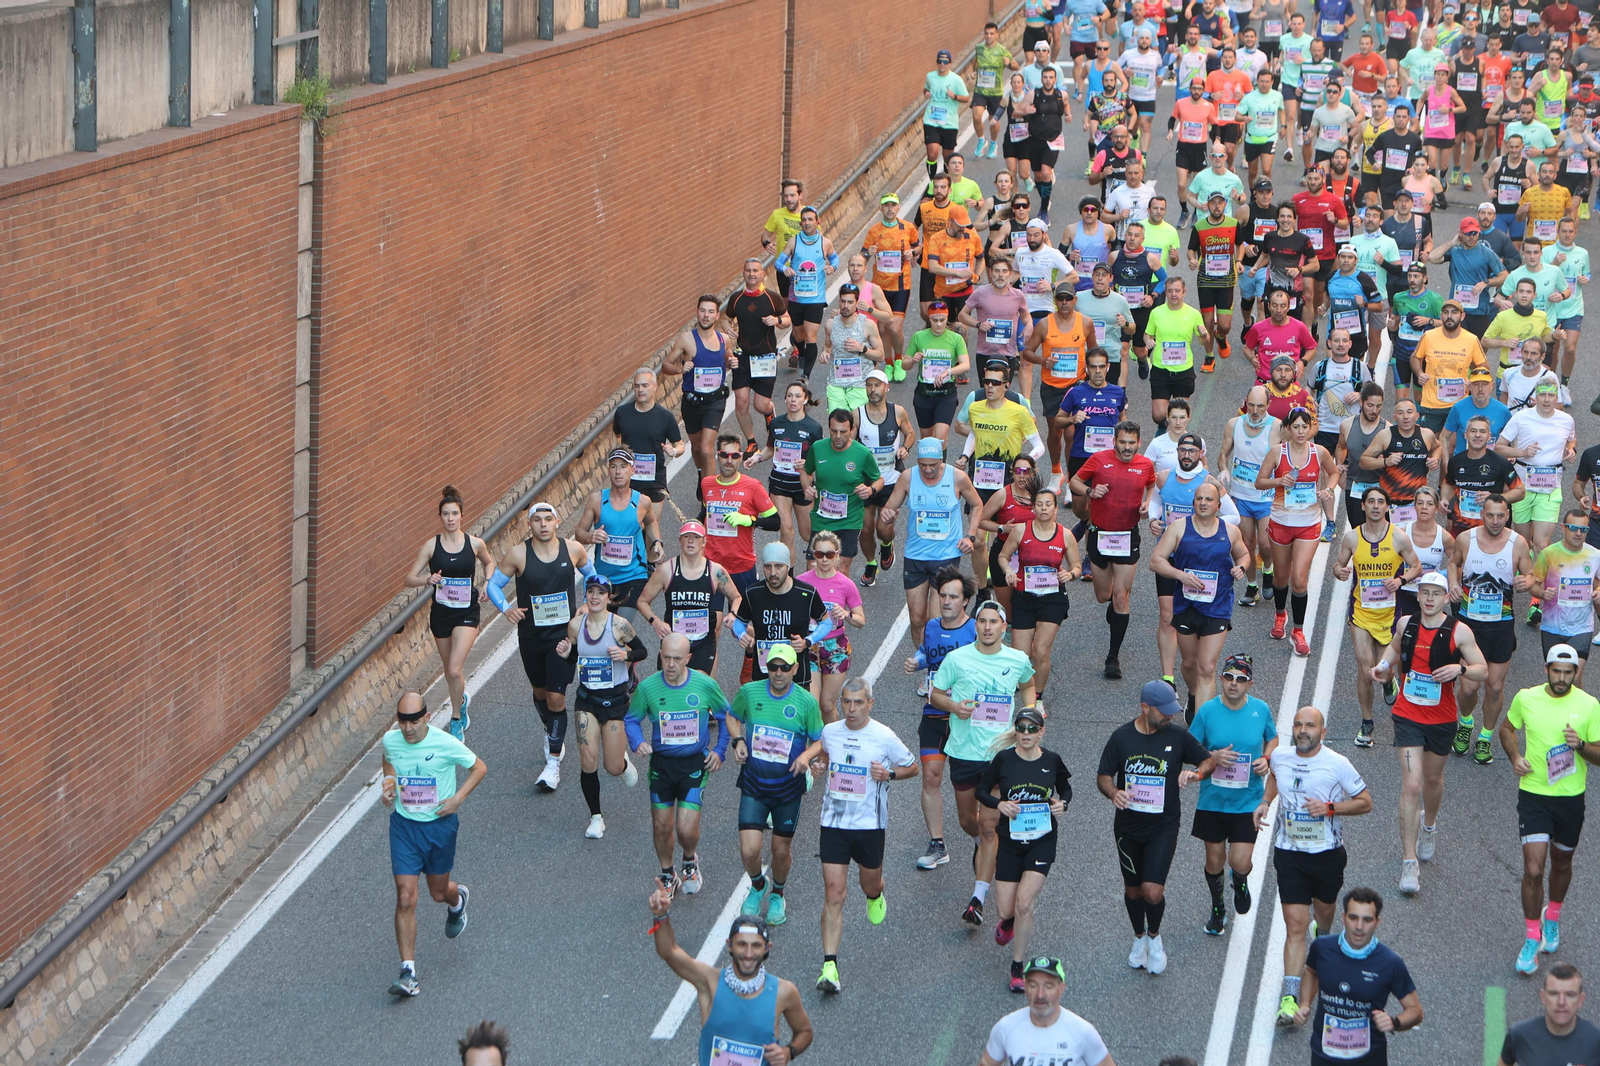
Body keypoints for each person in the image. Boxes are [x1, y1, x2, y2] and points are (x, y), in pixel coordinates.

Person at [1371, 572, 1489, 895]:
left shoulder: (1458, 631)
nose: (1429, 599)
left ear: (1444, 598)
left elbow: (1483, 668)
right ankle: (1409, 863)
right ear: (1419, 595)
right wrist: (1382, 668)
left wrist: (1460, 669)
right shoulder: (1405, 624)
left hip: (1441, 718)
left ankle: (1429, 825)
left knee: (1433, 781)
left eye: (1436, 594)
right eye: (1425, 593)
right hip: (1408, 714)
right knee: (1411, 784)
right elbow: (1393, 652)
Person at [1256, 706, 1374, 1024]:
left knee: (1323, 922)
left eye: (1310, 725)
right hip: (1289, 854)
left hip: (1326, 856)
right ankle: (1291, 998)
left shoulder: (1338, 764)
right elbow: (1275, 779)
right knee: (1294, 927)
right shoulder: (1279, 757)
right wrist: (1265, 803)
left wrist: (1331, 807)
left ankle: (1321, 934)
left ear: (1322, 732)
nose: (1302, 730)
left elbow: (1365, 802)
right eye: (1298, 725)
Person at [1098, 679, 1218, 975]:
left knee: (1152, 890)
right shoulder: (1121, 737)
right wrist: (1114, 792)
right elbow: (1103, 776)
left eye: (1173, 710)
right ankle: (1139, 938)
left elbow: (1209, 761)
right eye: (1164, 711)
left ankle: (1155, 936)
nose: (1170, 716)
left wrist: (1196, 774)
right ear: (1145, 708)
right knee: (1133, 889)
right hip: (1128, 827)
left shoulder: (1177, 737)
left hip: (1163, 826)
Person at [931, 601, 1039, 926]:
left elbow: (1028, 685)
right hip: (964, 752)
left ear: (1004, 628)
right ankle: (981, 844)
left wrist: (1028, 712)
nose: (988, 627)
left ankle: (977, 898)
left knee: (990, 826)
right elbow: (935, 694)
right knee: (969, 822)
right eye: (982, 621)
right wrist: (953, 705)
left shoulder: (1017, 659)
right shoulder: (957, 659)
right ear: (975, 626)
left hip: (1000, 756)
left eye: (994, 622)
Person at [1500, 646, 1600, 974]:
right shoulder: (1527, 698)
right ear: (1546, 669)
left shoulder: (1589, 706)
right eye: (1556, 671)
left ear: (1575, 674)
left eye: (1568, 673)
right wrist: (1515, 757)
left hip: (1571, 799)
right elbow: (1507, 728)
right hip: (1534, 795)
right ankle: (1532, 937)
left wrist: (1582, 746)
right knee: (1532, 869)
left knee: (1562, 863)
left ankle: (1552, 916)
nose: (1561, 678)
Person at [380, 692, 486, 997]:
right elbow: (388, 762)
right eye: (403, 721)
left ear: (426, 717)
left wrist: (457, 800)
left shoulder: (445, 743)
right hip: (404, 827)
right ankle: (408, 972)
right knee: (405, 897)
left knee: (438, 892)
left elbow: (479, 767)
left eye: (414, 720)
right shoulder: (391, 740)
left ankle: (457, 900)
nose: (408, 728)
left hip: (439, 828)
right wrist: (389, 787)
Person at [816, 677, 917, 993]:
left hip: (869, 826)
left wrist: (889, 775)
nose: (852, 708)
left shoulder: (884, 736)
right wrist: (818, 765)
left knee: (869, 882)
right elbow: (825, 758)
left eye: (859, 702)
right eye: (847, 701)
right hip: (833, 823)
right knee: (834, 893)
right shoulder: (830, 732)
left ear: (870, 704)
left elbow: (912, 766)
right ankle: (829, 966)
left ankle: (875, 895)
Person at [485, 502, 591, 794]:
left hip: (564, 636)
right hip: (531, 637)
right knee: (541, 694)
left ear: (557, 521)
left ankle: (552, 764)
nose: (543, 524)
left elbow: (594, 577)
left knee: (557, 697)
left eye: (548, 519)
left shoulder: (572, 549)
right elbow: (494, 585)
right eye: (537, 520)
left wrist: (587, 603)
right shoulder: (518, 554)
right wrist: (506, 608)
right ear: (529, 525)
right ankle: (551, 729)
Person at [648, 890, 814, 1066]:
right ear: (729, 945)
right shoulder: (709, 981)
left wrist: (789, 1052)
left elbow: (804, 1032)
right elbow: (669, 951)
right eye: (742, 944)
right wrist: (661, 915)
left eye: (756, 946)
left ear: (767, 948)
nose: (748, 954)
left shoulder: (783, 991)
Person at [627, 633, 731, 895]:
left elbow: (726, 716)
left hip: (693, 765)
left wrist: (719, 751)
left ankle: (689, 859)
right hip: (662, 766)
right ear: (660, 655)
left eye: (676, 658)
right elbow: (631, 719)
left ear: (688, 658)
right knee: (661, 825)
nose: (670, 664)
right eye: (666, 657)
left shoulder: (705, 685)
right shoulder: (648, 687)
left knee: (685, 828)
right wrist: (637, 742)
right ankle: (667, 873)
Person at [728, 641, 824, 927]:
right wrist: (738, 740)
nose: (778, 673)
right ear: (766, 668)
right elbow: (732, 717)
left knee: (781, 850)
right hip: (755, 784)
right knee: (749, 850)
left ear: (795, 668)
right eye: (773, 667)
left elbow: (820, 739)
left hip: (788, 788)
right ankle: (758, 885)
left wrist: (807, 756)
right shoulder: (749, 692)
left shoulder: (806, 703)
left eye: (784, 667)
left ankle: (778, 893)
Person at [978, 708, 1072, 990]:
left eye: (1033, 729)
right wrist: (999, 805)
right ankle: (1007, 923)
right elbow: (980, 790)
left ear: (1042, 731)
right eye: (1021, 728)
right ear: (1015, 730)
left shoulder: (1052, 760)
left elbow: (1065, 789)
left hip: (1042, 840)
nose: (1026, 734)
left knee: (1024, 903)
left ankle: (1018, 967)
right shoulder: (1004, 760)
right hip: (1010, 841)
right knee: (1006, 909)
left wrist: (1062, 804)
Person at [1149, 465, 1248, 714]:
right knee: (1190, 664)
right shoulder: (1179, 528)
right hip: (1186, 606)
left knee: (1207, 667)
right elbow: (1156, 560)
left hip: (1218, 608)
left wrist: (1242, 568)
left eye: (1209, 500)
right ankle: (1194, 695)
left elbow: (1244, 554)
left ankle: (1203, 722)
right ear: (1194, 502)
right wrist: (1180, 575)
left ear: (1218, 505)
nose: (1203, 503)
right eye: (1199, 499)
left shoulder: (1231, 531)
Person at [1189, 654, 1276, 935]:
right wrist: (1211, 756)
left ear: (1250, 684)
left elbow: (1272, 737)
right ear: (1221, 679)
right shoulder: (1207, 712)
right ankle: (1218, 908)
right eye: (1228, 678)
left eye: (1240, 680)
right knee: (1214, 860)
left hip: (1247, 800)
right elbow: (1189, 748)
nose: (1233, 684)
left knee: (1239, 861)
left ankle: (1239, 881)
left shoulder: (1261, 710)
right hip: (1213, 801)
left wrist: (1267, 757)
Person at [1450, 494, 1538, 763]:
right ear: (1482, 514)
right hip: (1469, 625)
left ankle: (1485, 737)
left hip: (1500, 624)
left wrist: (1526, 581)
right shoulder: (1467, 539)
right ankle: (1465, 723)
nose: (1496, 521)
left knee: (1495, 687)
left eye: (1501, 516)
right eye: (1490, 515)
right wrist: (1453, 583)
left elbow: (1531, 575)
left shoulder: (1517, 543)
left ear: (1508, 515)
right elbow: (1454, 563)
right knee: (1467, 688)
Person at [405, 487, 496, 739]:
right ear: (440, 517)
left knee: (455, 669)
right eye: (445, 514)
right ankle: (461, 698)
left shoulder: (475, 543)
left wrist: (488, 582)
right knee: (449, 671)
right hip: (441, 615)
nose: (450, 518)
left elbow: (489, 562)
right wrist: (427, 579)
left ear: (462, 516)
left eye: (454, 513)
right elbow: (408, 578)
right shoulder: (431, 546)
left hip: (467, 613)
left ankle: (456, 718)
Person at [1336, 487, 1423, 751]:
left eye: (1380, 502)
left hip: (1388, 614)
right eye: (1371, 502)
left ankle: (1389, 682)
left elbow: (1417, 566)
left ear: (1388, 507)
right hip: (1361, 613)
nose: (1375, 506)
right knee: (1365, 670)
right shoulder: (1352, 538)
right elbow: (1338, 565)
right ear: (1362, 506)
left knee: (1382, 671)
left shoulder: (1399, 538)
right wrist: (1339, 571)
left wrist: (1401, 580)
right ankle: (1367, 723)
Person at [1290, 888, 1425, 1055]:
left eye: (1367, 920)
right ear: (1343, 918)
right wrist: (1305, 1003)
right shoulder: (1322, 948)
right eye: (1353, 918)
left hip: (1368, 1059)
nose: (1359, 927)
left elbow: (1415, 1011)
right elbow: (1311, 972)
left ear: (1377, 922)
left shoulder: (1390, 963)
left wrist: (1394, 1022)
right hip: (1323, 1055)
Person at [1071, 420, 1158, 679]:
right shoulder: (1099, 459)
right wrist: (1090, 490)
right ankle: (1113, 606)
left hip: (1127, 536)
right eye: (1123, 442)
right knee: (1103, 595)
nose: (1127, 447)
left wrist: (1148, 504)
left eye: (1132, 443)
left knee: (1121, 596)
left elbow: (1152, 485)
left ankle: (1113, 657)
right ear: (1114, 441)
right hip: (1099, 535)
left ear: (1139, 443)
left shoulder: (1145, 465)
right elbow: (1074, 481)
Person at [566, 576, 647, 839]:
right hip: (587, 699)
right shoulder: (576, 626)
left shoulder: (620, 625)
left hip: (615, 701)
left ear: (609, 598)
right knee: (588, 760)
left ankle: (622, 764)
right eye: (591, 591)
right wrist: (564, 653)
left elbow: (642, 651)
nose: (595, 596)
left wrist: (626, 655)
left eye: (601, 592)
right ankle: (596, 818)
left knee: (611, 767)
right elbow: (573, 661)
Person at [1258, 408, 1339, 657]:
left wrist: (1329, 489)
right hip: (1281, 522)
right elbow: (1259, 481)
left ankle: (1298, 630)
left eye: (1305, 426)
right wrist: (1278, 482)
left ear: (1310, 428)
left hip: (1308, 524)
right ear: (1288, 429)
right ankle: (1280, 615)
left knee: (1300, 579)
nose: (1301, 431)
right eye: (1296, 427)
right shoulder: (1277, 453)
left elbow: (1333, 472)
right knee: (1281, 578)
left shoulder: (1319, 452)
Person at [998, 483, 1084, 710]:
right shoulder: (1020, 530)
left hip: (1052, 599)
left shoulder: (1065, 536)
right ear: (1033, 508)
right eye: (1039, 504)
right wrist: (1008, 570)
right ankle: (1023, 690)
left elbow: (1076, 566)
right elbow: (1003, 556)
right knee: (1021, 656)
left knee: (1041, 651)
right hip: (1024, 597)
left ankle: (1037, 698)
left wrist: (1071, 574)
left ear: (1055, 509)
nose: (1044, 508)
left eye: (1048, 505)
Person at [1497, 382, 1579, 620]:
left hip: (1550, 487)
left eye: (1550, 395)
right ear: (1534, 397)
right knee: (1523, 543)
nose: (1545, 399)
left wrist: (1571, 451)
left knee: (1541, 544)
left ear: (1556, 398)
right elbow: (1499, 447)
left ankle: (1536, 599)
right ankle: (1525, 580)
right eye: (1541, 395)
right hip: (1522, 487)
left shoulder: (1566, 420)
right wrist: (1522, 453)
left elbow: (1571, 441)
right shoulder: (1521, 418)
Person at [636, 521, 744, 677]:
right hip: (673, 641)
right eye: (686, 537)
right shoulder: (667, 569)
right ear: (680, 540)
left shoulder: (716, 571)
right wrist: (656, 622)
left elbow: (736, 596)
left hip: (703, 642)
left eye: (696, 537)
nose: (691, 541)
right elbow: (642, 601)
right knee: (671, 687)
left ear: (704, 542)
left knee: (700, 686)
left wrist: (733, 614)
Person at [574, 449, 664, 618]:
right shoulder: (597, 500)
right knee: (604, 630)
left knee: (622, 625)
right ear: (608, 470)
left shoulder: (642, 501)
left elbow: (651, 521)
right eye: (614, 467)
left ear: (632, 470)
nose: (618, 471)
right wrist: (590, 537)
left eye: (623, 466)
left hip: (634, 575)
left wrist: (656, 541)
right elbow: (579, 532)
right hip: (604, 577)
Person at [979, 956, 1116, 1066]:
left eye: (1048, 986)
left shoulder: (1083, 1033)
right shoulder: (1006, 1028)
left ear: (1061, 988)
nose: (1040, 994)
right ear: (1025, 987)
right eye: (1033, 985)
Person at [734, 542, 831, 690]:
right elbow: (739, 622)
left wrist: (808, 641)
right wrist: (741, 635)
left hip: (796, 677)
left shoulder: (806, 593)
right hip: (762, 674)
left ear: (788, 567)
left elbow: (826, 622)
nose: (773, 573)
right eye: (768, 567)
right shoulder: (753, 593)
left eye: (778, 566)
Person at [1219, 387, 1282, 607]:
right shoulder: (1233, 424)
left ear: (1269, 406)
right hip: (1241, 496)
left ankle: (1268, 570)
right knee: (1246, 544)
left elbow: (1289, 454)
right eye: (1251, 405)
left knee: (1265, 545)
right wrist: (1224, 469)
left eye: (1260, 406)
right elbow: (1223, 454)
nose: (1255, 411)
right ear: (1246, 402)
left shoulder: (1276, 427)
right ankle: (1252, 585)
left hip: (1265, 497)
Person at [750, 381, 823, 566]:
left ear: (805, 399)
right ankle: (788, 577)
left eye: (798, 396)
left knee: (808, 534)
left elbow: (820, 459)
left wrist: (807, 463)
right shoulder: (776, 423)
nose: (793, 399)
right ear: (784, 399)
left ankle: (817, 571)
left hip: (802, 486)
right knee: (787, 531)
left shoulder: (813, 428)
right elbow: (770, 448)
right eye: (790, 395)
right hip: (780, 484)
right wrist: (757, 458)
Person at [702, 432, 782, 595]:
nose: (729, 460)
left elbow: (775, 522)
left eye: (735, 455)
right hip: (712, 565)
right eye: (724, 455)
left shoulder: (753, 487)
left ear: (741, 458)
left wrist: (750, 520)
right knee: (711, 618)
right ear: (717, 456)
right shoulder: (706, 484)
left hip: (741, 566)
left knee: (746, 616)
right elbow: (704, 513)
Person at [723, 260, 789, 453]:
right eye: (748, 271)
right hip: (743, 357)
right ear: (743, 273)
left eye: (755, 271)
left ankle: (769, 412)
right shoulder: (736, 298)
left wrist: (776, 320)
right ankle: (752, 442)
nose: (752, 274)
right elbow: (726, 319)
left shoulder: (772, 298)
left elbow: (788, 320)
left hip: (765, 358)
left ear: (762, 274)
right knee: (741, 401)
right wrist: (728, 329)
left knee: (760, 404)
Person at [1531, 513, 1600, 681]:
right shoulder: (1548, 554)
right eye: (1574, 528)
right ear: (1563, 528)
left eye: (1583, 530)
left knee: (1573, 678)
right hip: (1552, 627)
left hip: (1581, 627)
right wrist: (1542, 594)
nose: (1578, 533)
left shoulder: (1595, 555)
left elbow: (1598, 582)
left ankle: (1583, 708)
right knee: (1556, 681)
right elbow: (1534, 585)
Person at [1190, 191, 1248, 372]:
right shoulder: (1199, 226)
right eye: (1213, 203)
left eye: (1220, 203)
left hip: (1226, 281)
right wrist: (1192, 259)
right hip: (1205, 281)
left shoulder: (1233, 224)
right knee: (1207, 322)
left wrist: (1239, 261)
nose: (1217, 206)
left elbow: (1240, 244)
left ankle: (1221, 337)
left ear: (1225, 205)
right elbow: (1191, 249)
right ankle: (1209, 356)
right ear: (1208, 205)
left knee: (1224, 325)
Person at [1359, 398, 1437, 529]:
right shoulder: (1385, 436)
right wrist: (1385, 461)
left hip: (1416, 503)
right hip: (1391, 502)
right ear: (1394, 417)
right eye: (1400, 413)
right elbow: (1363, 461)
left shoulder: (1426, 435)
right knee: (1390, 543)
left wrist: (1435, 459)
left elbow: (1438, 447)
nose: (1405, 417)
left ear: (1417, 416)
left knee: (1414, 542)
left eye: (1409, 412)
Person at [1142, 276, 1208, 431]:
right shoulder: (1157, 313)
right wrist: (1148, 340)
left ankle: (1173, 440)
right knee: (1158, 415)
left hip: (1183, 370)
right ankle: (1164, 428)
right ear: (1165, 292)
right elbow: (1147, 334)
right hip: (1161, 369)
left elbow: (1203, 342)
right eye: (1170, 291)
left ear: (1184, 292)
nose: (1173, 294)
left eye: (1177, 291)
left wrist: (1205, 335)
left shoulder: (1193, 314)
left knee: (1178, 416)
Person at [1498, 964, 1600, 1063]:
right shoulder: (1520, 1035)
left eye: (1570, 995)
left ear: (1580, 1000)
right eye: (1554, 994)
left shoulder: (1595, 1040)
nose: (1561, 1002)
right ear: (1543, 997)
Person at [1444, 414, 1525, 537]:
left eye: (1482, 431)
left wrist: (1495, 497)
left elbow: (1520, 491)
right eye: (1473, 431)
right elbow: (1448, 484)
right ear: (1465, 434)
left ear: (1489, 436)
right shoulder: (1456, 461)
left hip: (1492, 530)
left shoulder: (1500, 463)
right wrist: (1444, 499)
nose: (1477, 435)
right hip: (1461, 530)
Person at [612, 369, 685, 504]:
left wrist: (674, 451)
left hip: (654, 480)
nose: (640, 390)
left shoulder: (665, 417)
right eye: (637, 386)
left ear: (654, 387)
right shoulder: (622, 413)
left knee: (653, 523)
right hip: (628, 479)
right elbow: (617, 435)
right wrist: (618, 457)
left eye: (645, 386)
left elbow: (680, 444)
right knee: (631, 524)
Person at [906, 301, 972, 443]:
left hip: (946, 394)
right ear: (929, 319)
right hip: (924, 393)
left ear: (947, 319)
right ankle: (928, 465)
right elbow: (904, 364)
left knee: (940, 438)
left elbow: (966, 365)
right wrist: (912, 361)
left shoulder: (956, 339)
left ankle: (940, 466)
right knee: (927, 439)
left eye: (942, 320)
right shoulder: (919, 336)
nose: (939, 324)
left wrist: (947, 372)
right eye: (934, 320)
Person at [1541, 217, 1590, 383]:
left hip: (1573, 308)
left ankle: (1564, 385)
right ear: (1557, 232)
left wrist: (1586, 278)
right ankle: (1552, 383)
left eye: (1571, 231)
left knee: (1569, 349)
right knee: (1553, 349)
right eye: (1564, 231)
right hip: (1552, 309)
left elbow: (1587, 272)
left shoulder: (1583, 253)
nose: (1567, 235)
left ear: (1576, 232)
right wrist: (1554, 263)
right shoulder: (1547, 251)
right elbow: (1540, 276)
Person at [1443, 367, 1513, 458]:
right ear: (1470, 386)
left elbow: (1513, 438)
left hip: (1491, 464)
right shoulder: (1458, 408)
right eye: (1476, 384)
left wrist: (1511, 456)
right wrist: (1446, 464)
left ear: (1491, 386)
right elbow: (1444, 437)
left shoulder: (1502, 411)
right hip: (1463, 464)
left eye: (1484, 384)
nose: (1480, 389)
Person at [974, 21, 1020, 157]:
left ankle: (994, 143)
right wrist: (973, 72)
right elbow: (975, 63)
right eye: (986, 33)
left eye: (991, 34)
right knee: (976, 117)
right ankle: (982, 139)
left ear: (996, 35)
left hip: (995, 92)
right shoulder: (979, 48)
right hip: (980, 90)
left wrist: (1009, 63)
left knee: (993, 121)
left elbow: (1016, 66)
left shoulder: (1002, 50)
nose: (988, 36)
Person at [923, 48, 971, 178]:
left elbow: (966, 98)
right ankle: (933, 181)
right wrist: (926, 93)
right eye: (940, 61)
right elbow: (926, 88)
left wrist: (954, 96)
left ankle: (945, 182)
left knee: (947, 158)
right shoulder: (930, 76)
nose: (942, 64)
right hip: (931, 120)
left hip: (949, 123)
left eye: (945, 62)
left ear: (950, 63)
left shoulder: (956, 80)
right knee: (932, 153)